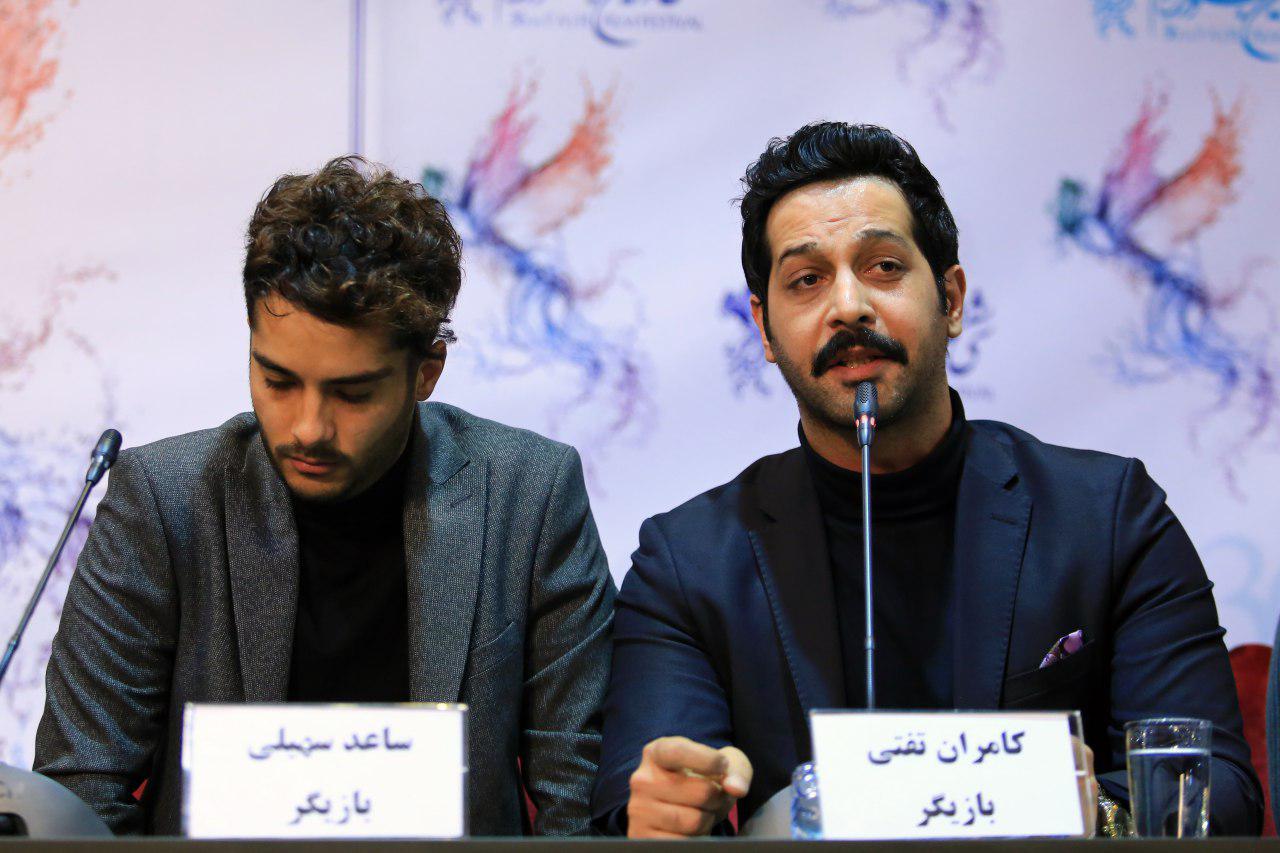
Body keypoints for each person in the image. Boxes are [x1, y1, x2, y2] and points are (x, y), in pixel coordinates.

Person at [592, 122, 1261, 837]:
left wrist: (1089, 809)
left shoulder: (1108, 517)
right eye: (807, 280)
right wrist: (663, 814)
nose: (848, 306)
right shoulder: (689, 563)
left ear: (952, 298)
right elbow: (633, 806)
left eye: (883, 266)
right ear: (764, 329)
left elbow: (1216, 791)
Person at [34, 156, 615, 836]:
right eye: (278, 381)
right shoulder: (164, 501)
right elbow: (82, 794)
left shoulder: (529, 495)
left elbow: (579, 802)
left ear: (426, 372)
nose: (308, 428)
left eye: (352, 393)